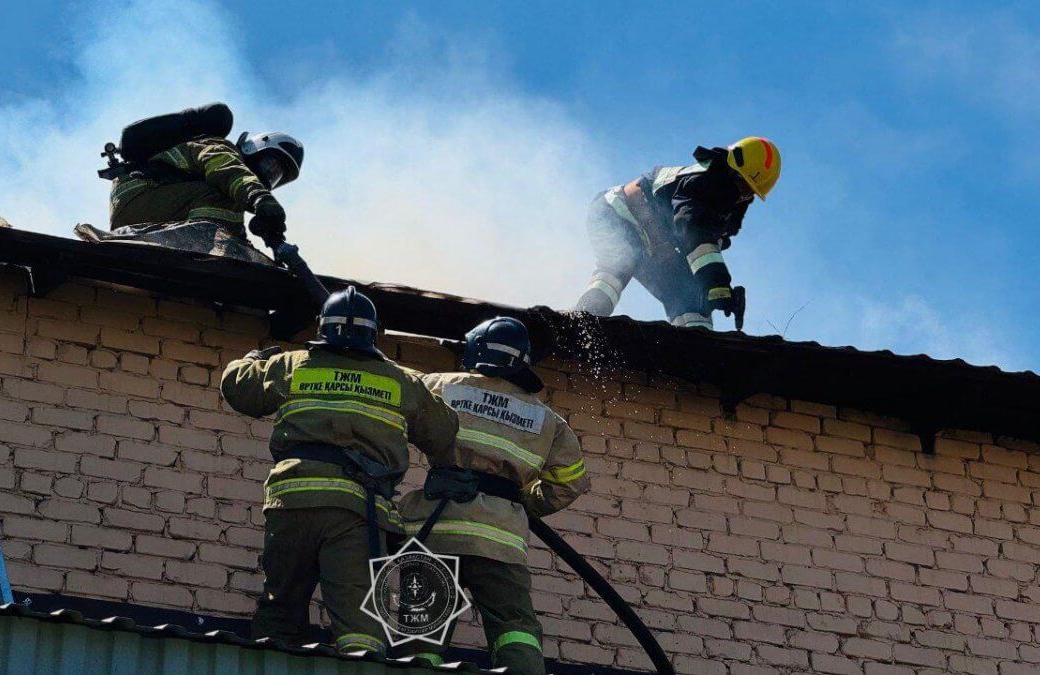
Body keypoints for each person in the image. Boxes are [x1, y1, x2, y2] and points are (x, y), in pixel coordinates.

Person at [220, 286, 458, 655]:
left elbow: (238, 389)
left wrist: (251, 358)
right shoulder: (400, 380)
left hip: (292, 502)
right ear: (375, 333)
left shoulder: (293, 364)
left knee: (280, 604)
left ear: (321, 328)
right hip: (356, 513)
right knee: (358, 621)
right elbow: (444, 434)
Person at [400, 316, 589, 674]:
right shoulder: (548, 420)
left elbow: (394, 418)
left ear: (476, 350)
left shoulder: (440, 385)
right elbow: (570, 482)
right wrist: (520, 504)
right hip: (501, 538)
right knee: (514, 627)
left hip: (439, 527)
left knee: (424, 624)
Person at [574, 137, 781, 328]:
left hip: (653, 243)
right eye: (742, 185)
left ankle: (694, 356)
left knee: (692, 297)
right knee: (619, 265)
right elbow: (693, 229)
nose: (741, 196)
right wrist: (716, 282)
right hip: (616, 212)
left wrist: (719, 292)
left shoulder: (724, 211)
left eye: (749, 193)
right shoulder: (699, 182)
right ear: (730, 170)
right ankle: (580, 327)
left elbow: (703, 248)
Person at [80, 103, 303, 263]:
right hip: (142, 197)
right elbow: (229, 171)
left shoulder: (226, 196)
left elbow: (231, 231)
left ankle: (204, 247)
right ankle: (201, 247)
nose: (269, 175)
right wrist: (261, 198)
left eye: (277, 175)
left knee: (232, 222)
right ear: (252, 150)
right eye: (270, 165)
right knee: (225, 193)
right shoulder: (218, 147)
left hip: (143, 206)